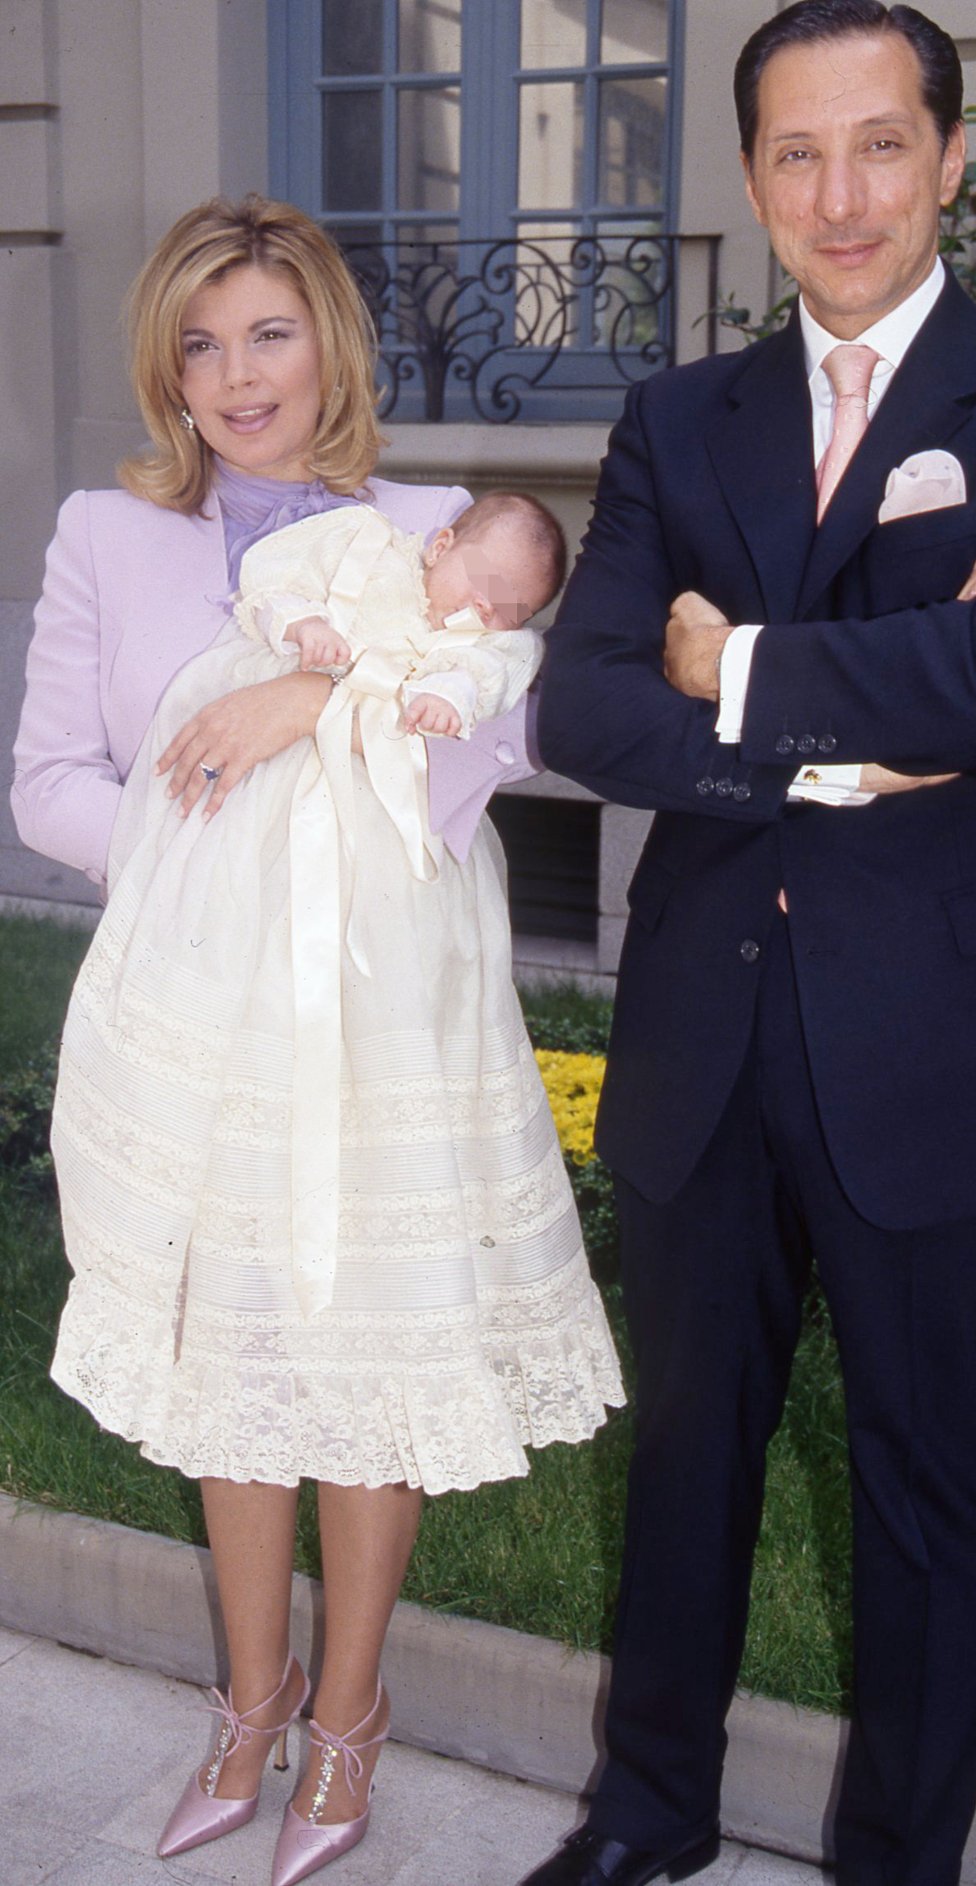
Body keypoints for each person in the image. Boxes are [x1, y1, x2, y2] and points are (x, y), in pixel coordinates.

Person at [523, 5, 976, 1885]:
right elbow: (580, 714)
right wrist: (843, 743)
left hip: (955, 1028)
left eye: (881, 145)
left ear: (952, 158)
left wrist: (742, 669)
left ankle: (900, 1859)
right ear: (748, 183)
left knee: (930, 1480)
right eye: (796, 155)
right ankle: (647, 1814)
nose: (840, 194)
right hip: (708, 1020)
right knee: (687, 1457)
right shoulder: (671, 419)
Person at [12, 192, 622, 1886]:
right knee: (223, 1366)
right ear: (165, 366)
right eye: (198, 344)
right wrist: (223, 815)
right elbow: (46, 781)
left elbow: (494, 747)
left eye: (267, 332)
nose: (234, 374)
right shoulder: (103, 531)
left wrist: (314, 701)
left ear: (332, 340)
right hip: (193, 1014)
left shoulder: (449, 529)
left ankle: (345, 1721)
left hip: (385, 1031)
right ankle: (248, 1694)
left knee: (363, 1362)